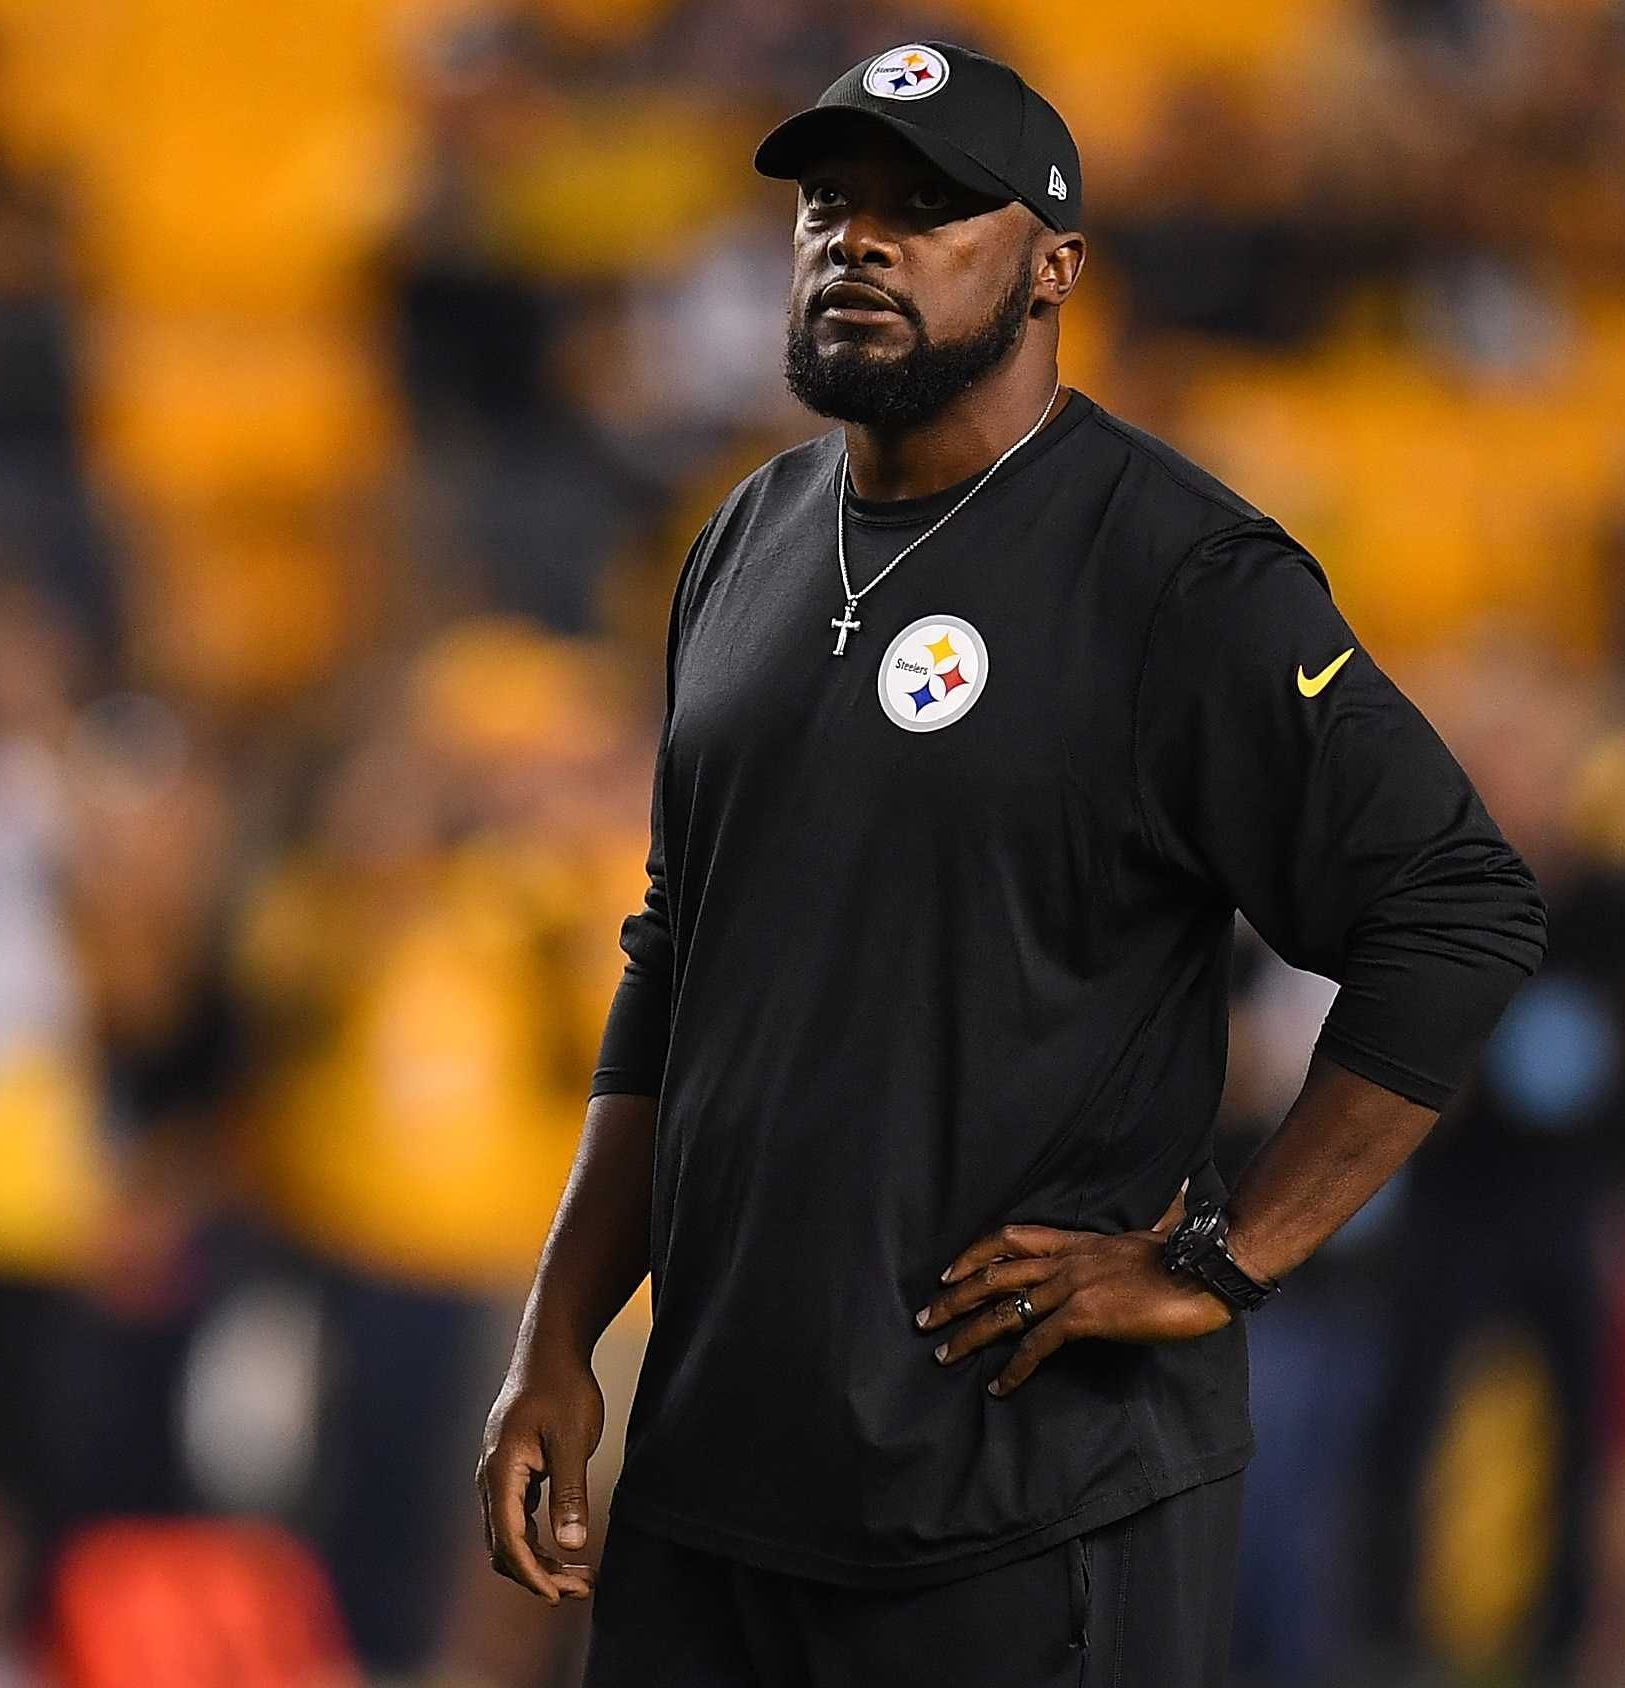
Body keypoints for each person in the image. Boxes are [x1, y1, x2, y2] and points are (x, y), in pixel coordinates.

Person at [475, 42, 1548, 1684]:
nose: (863, 240)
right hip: (719, 1485)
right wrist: (559, 1336)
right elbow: (675, 961)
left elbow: (1456, 906)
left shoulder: (1180, 575)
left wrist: (1226, 1256)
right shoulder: (741, 541)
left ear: (1052, 267)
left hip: (1024, 1502)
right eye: (832, 202)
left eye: (930, 208)